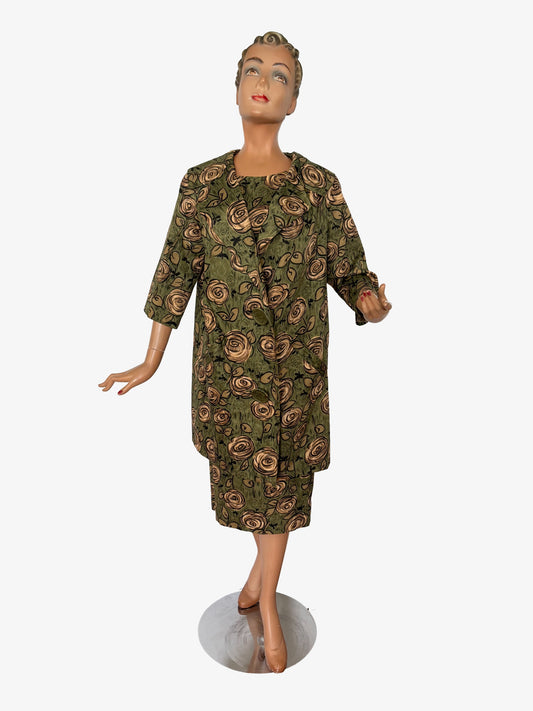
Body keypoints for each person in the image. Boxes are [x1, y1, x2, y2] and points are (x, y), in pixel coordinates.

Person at [99, 30, 391, 673]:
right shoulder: (201, 184)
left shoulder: (319, 186)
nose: (264, 82)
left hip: (295, 374)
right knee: (250, 489)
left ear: (294, 100)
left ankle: (267, 609)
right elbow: (176, 271)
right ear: (235, 88)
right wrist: (150, 359)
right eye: (253, 70)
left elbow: (350, 268)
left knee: (281, 488)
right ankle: (261, 582)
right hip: (228, 376)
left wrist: (369, 302)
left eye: (280, 75)